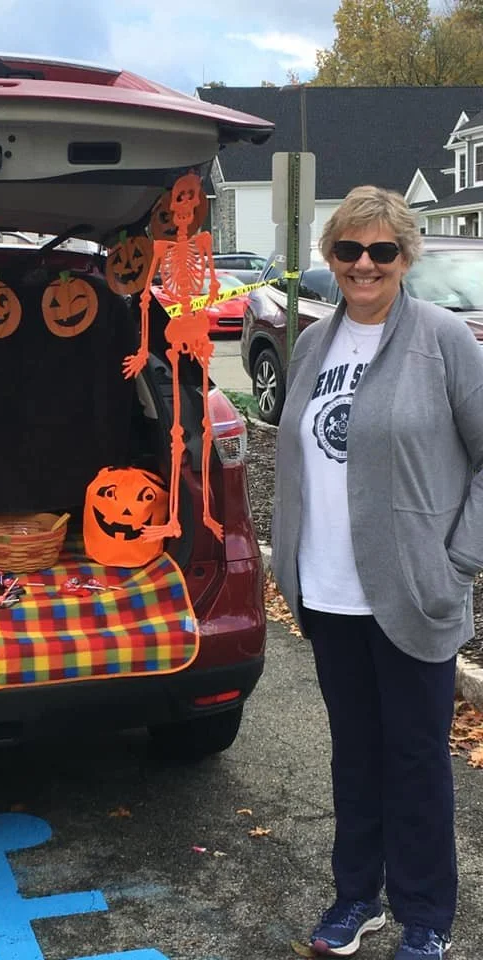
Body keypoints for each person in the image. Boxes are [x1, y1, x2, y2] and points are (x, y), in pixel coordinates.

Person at [271, 185, 483, 959]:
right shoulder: (312, 345)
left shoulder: (443, 340)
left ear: (404, 257)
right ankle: (356, 897)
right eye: (349, 250)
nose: (364, 264)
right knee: (355, 755)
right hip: (328, 589)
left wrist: (458, 561)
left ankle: (425, 916)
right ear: (330, 258)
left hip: (412, 591)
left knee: (416, 759)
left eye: (381, 251)